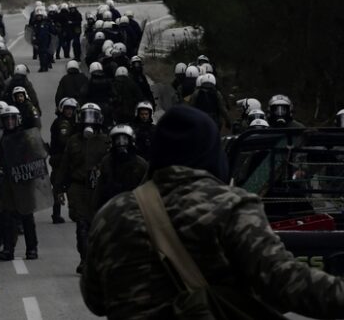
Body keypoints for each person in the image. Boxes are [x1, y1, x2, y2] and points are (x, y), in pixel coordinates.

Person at [81, 105, 344, 319]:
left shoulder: (112, 214)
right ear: (211, 154)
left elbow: (95, 300)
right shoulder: (231, 207)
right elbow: (285, 283)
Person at [58, 103, 109, 274]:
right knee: (81, 225)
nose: (89, 120)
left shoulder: (106, 140)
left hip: (99, 189)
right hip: (78, 187)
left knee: (99, 226)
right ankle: (85, 259)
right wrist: (58, 189)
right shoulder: (73, 141)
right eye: (85, 116)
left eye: (92, 116)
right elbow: (64, 166)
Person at [0, 106, 41, 261]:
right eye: (6, 119)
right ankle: (8, 249)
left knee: (27, 215)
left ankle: (32, 248)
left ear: (18, 119)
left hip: (23, 181)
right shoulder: (0, 140)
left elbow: (35, 156)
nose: (9, 122)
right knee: (8, 216)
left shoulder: (25, 138)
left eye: (12, 118)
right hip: (8, 182)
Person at [93, 124, 148, 210]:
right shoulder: (107, 162)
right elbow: (99, 189)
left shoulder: (140, 164)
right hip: (112, 208)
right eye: (117, 140)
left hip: (135, 209)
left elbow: (148, 191)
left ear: (131, 141)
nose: (121, 143)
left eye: (125, 139)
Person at [49, 97, 78, 224]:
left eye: (71, 109)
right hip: (60, 158)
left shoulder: (73, 122)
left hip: (66, 158)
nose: (69, 111)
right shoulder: (62, 123)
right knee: (58, 184)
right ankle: (56, 214)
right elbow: (63, 140)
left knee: (69, 184)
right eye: (67, 109)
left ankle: (70, 212)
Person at [80, 62, 113, 128]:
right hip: (106, 106)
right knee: (107, 125)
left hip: (92, 108)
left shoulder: (89, 82)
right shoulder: (108, 81)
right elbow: (113, 93)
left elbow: (83, 93)